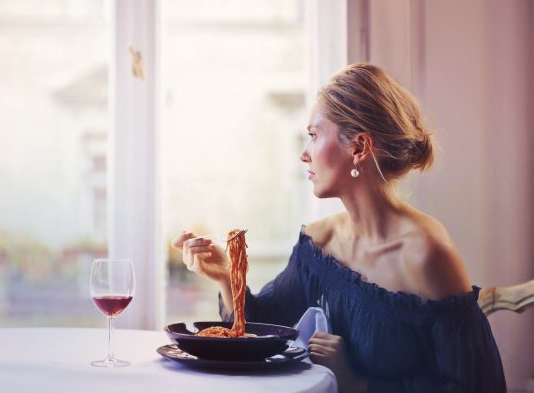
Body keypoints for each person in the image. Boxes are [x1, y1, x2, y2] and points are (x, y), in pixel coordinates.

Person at [171, 63, 506, 393]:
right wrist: (227, 276)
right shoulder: (320, 243)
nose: (304, 154)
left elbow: (477, 385)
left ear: (358, 147)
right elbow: (263, 333)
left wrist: (359, 384)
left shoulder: (426, 253)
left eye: (314, 135)